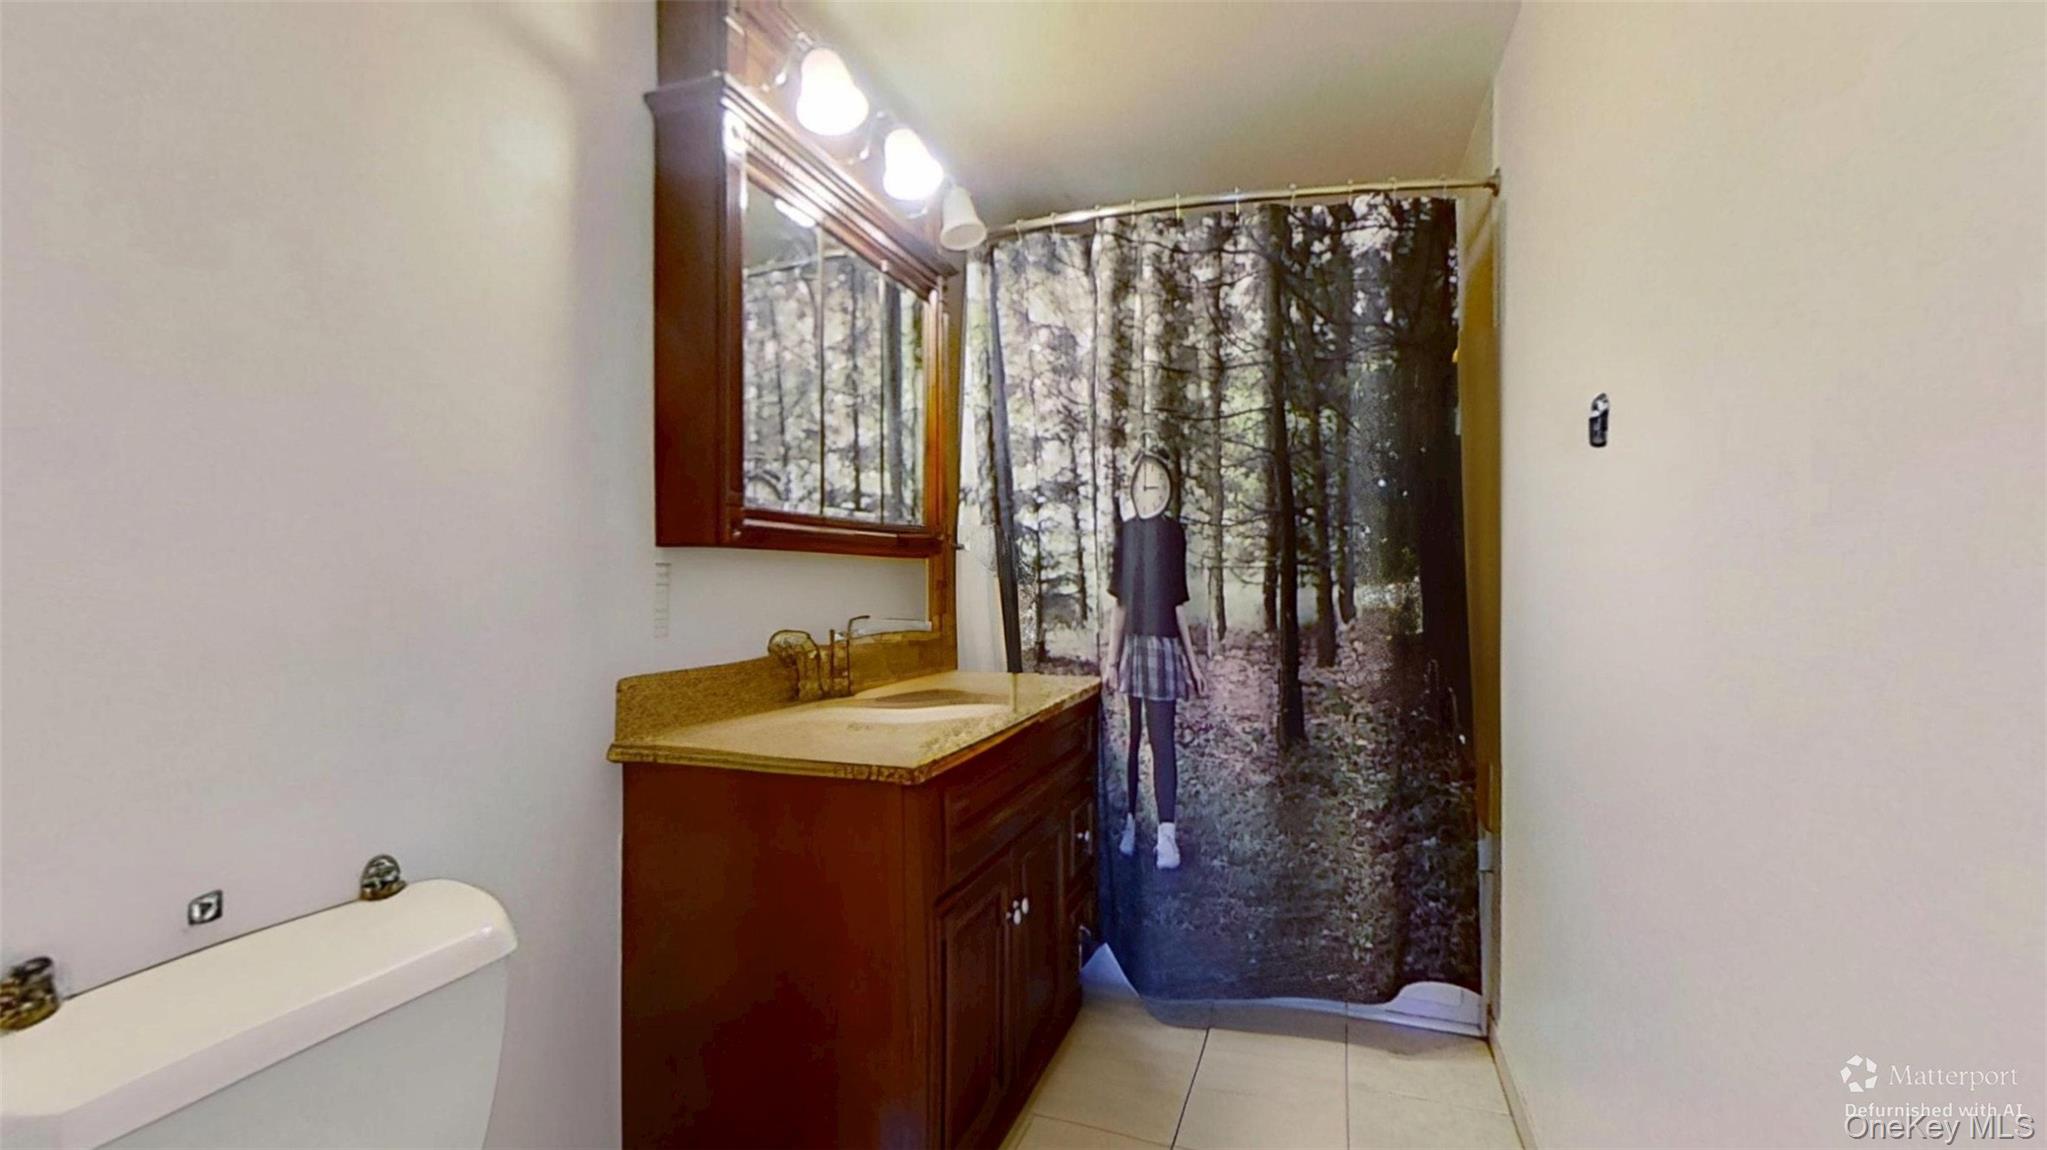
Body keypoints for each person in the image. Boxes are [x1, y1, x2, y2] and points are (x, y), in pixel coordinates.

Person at [1103, 451, 1206, 870]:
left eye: (1158, 483)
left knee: (1163, 740)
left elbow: (1179, 602)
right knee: (1132, 739)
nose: (1151, 491)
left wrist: (1193, 663)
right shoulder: (1125, 534)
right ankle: (1130, 822)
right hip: (1134, 647)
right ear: (1132, 489)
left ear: (1168, 489)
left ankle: (1167, 835)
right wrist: (1111, 660)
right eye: (1143, 483)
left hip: (1163, 648)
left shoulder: (1174, 534)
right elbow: (1120, 605)